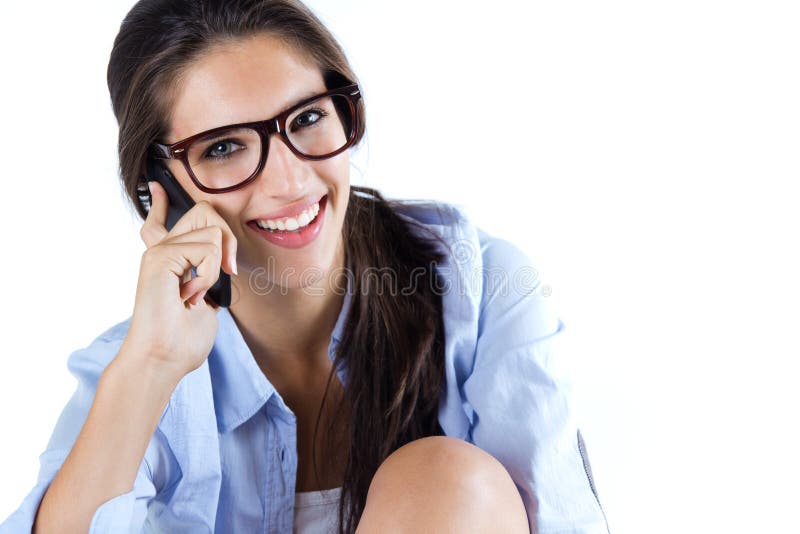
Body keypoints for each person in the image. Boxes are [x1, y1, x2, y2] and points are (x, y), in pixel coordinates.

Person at [0, 0, 609, 533]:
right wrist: (152, 366)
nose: (290, 180)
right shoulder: (138, 361)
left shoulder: (478, 290)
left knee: (446, 478)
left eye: (308, 118)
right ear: (161, 187)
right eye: (224, 147)